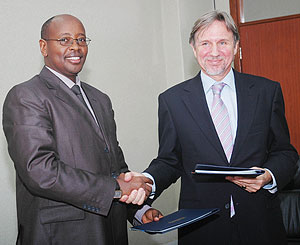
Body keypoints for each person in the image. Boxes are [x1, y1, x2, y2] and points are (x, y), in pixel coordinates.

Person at [127, 10, 299, 244]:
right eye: (205, 43)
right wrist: (147, 181)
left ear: (236, 45)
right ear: (193, 48)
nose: (215, 52)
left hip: (261, 224)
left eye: (223, 42)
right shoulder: (172, 100)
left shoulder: (266, 92)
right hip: (202, 228)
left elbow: (285, 153)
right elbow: (170, 160)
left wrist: (268, 175)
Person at [2, 14, 158, 245]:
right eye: (64, 40)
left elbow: (115, 167)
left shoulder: (100, 99)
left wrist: (137, 210)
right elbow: (39, 171)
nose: (75, 46)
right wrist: (116, 187)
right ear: (44, 46)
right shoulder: (26, 96)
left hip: (111, 232)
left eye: (81, 39)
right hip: (62, 236)